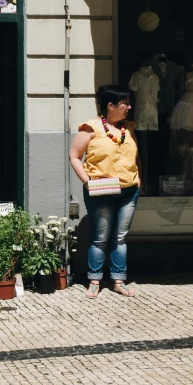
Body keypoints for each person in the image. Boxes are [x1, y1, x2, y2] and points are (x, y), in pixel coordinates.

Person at [69, 85, 142, 298]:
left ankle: (118, 280)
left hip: (128, 189)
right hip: (101, 189)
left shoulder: (128, 128)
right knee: (100, 237)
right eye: (125, 103)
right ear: (111, 106)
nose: (129, 107)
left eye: (129, 103)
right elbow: (74, 155)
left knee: (120, 237)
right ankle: (95, 280)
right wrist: (87, 182)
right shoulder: (91, 128)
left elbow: (136, 157)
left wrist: (139, 182)